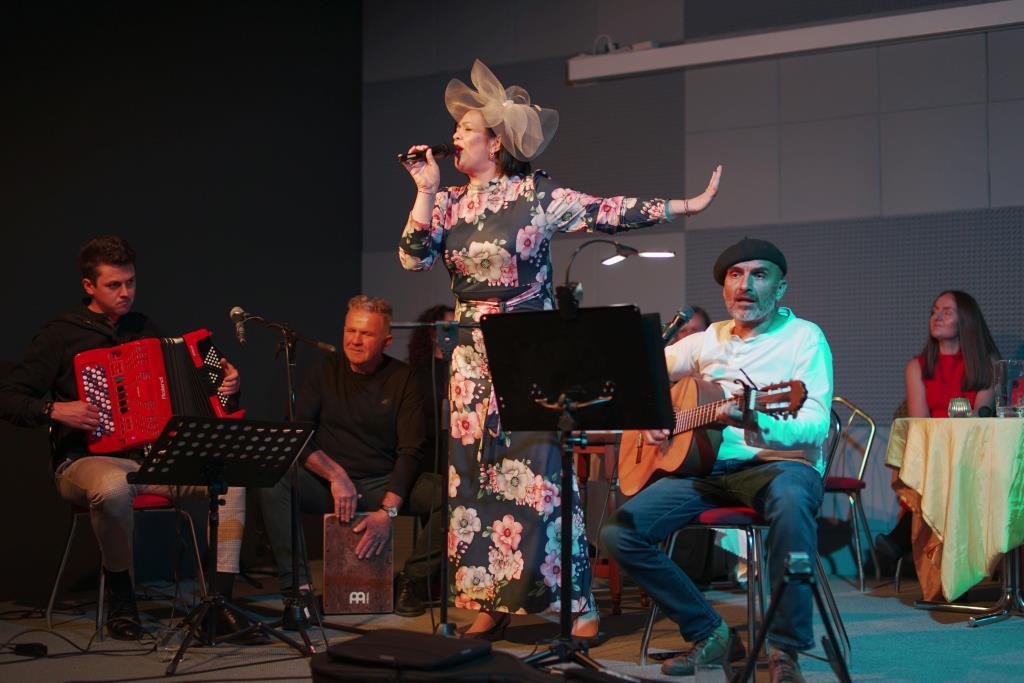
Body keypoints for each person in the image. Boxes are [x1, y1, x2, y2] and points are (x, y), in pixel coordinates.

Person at [398, 59, 723, 639]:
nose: (454, 138)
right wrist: (423, 192)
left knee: (542, 479)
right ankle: (490, 600)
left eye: (465, 130)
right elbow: (413, 257)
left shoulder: (534, 195)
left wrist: (683, 206)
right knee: (475, 479)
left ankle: (578, 604)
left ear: (496, 142)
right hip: (471, 358)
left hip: (530, 350)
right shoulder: (446, 201)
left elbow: (605, 209)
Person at [601, 238, 833, 682]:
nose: (745, 286)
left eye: (759, 275)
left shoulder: (805, 338)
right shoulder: (708, 339)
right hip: (709, 471)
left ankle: (784, 649)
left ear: (781, 287)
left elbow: (815, 426)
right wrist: (649, 415)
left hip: (781, 465)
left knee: (791, 504)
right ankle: (710, 632)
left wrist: (755, 421)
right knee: (619, 533)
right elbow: (636, 373)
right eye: (735, 275)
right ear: (725, 287)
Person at [0, 235, 248, 641]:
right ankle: (122, 598)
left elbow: (188, 390)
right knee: (114, 488)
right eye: (114, 285)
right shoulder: (60, 336)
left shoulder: (143, 328)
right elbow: (8, 396)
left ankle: (219, 604)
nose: (125, 292)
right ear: (89, 286)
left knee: (232, 478)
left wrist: (225, 386)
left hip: (150, 458)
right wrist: (54, 409)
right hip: (84, 461)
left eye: (130, 282)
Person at [259, 295, 443, 620]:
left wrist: (388, 512)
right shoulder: (323, 371)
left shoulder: (403, 378)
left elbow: (411, 450)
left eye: (366, 334)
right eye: (350, 331)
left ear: (386, 341)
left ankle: (412, 582)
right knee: (273, 479)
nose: (355, 340)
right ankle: (298, 591)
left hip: (380, 483)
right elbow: (298, 435)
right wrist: (335, 476)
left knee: (451, 496)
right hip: (329, 485)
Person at [874, 290, 999, 567]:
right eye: (934, 311)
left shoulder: (986, 363)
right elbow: (921, 424)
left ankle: (900, 538)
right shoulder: (917, 367)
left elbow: (982, 414)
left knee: (954, 469)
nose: (937, 317)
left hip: (973, 450)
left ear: (965, 320)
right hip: (934, 451)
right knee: (941, 467)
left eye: (947, 312)